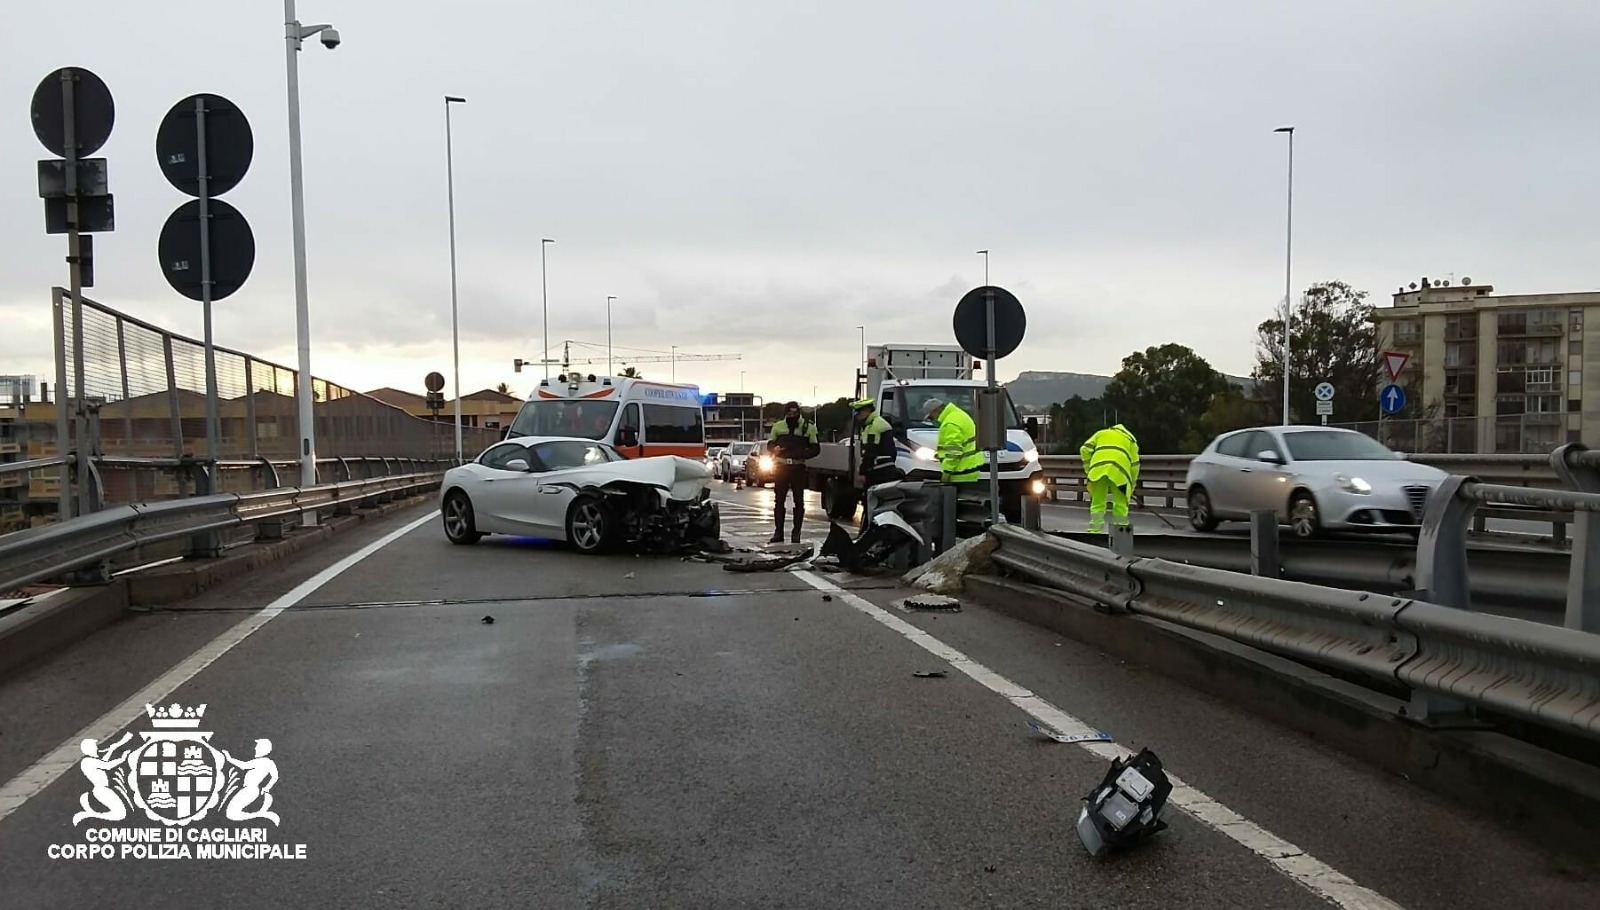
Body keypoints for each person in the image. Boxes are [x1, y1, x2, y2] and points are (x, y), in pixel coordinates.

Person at [766, 401, 820, 543]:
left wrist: (802, 454)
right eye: (789, 413)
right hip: (781, 467)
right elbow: (770, 444)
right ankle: (778, 532)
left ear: (799, 413)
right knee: (779, 501)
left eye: (795, 413)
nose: (792, 416)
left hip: (798, 468)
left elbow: (816, 448)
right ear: (785, 413)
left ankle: (796, 533)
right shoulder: (778, 426)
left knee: (799, 501)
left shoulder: (808, 427)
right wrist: (774, 449)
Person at [1079, 423, 1140, 532]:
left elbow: (1084, 449)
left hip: (1097, 470)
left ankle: (1094, 532)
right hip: (1119, 472)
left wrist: (1089, 469)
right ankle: (1121, 533)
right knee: (1120, 505)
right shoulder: (1131, 441)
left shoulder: (1101, 434)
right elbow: (1135, 466)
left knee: (1097, 503)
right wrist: (1132, 485)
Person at [922, 397, 984, 485]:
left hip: (961, 471)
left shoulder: (949, 424)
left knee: (953, 497)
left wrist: (946, 472)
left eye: (931, 417)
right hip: (971, 466)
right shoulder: (958, 414)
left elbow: (954, 453)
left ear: (936, 411)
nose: (933, 420)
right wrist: (940, 454)